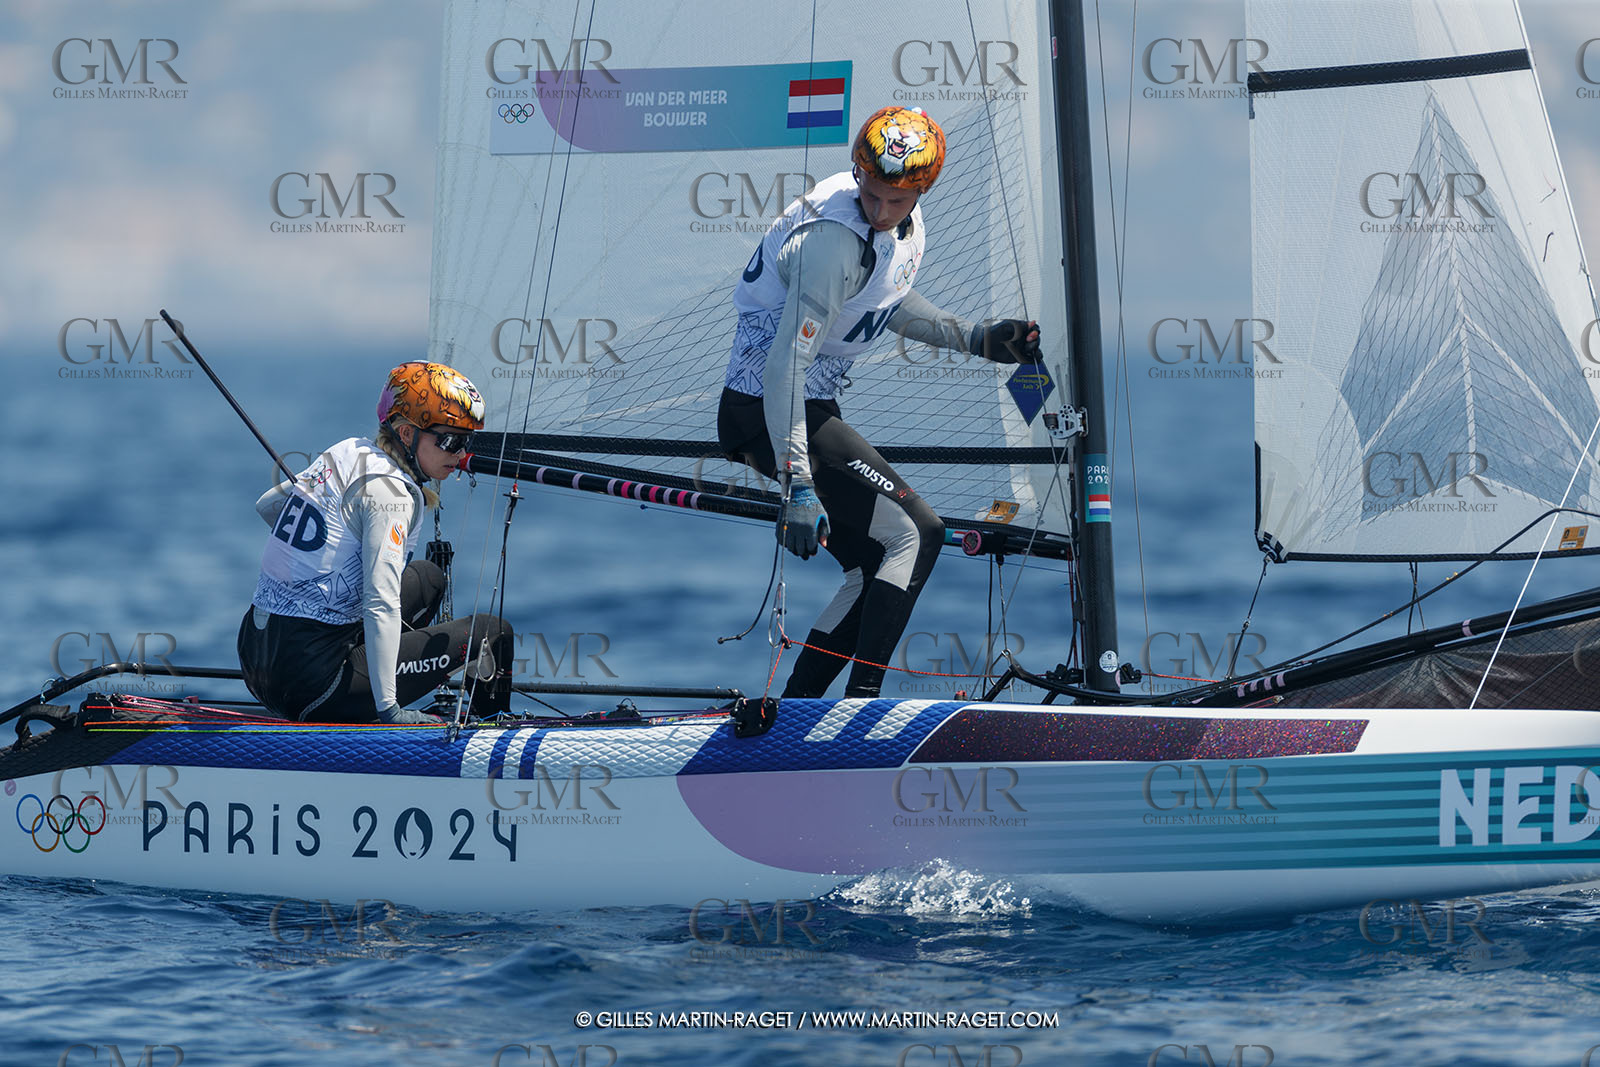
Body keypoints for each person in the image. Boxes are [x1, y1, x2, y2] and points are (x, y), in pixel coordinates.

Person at [718, 105, 1042, 699]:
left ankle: (797, 716)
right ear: (858, 172)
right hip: (767, 409)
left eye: (898, 200)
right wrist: (799, 484)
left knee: (877, 567)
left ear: (921, 190)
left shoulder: (896, 227)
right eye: (873, 194)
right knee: (918, 533)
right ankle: (861, 715)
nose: (882, 209)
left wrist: (972, 337)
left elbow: (881, 298)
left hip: (806, 408)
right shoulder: (832, 246)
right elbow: (784, 366)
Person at [238, 361, 513, 724]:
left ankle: (364, 669)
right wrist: (390, 711)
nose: (461, 454)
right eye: (450, 440)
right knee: (493, 633)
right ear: (405, 433)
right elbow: (380, 602)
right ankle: (485, 733)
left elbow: (267, 505)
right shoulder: (392, 495)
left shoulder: (348, 450)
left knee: (428, 578)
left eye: (467, 441)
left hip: (256, 656)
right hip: (318, 687)